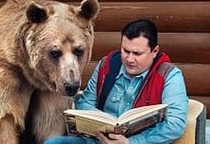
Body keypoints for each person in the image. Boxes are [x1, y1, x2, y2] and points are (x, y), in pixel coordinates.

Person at [44, 19, 188, 144]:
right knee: (54, 142)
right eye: (126, 51)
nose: (130, 59)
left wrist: (131, 142)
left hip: (139, 142)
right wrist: (103, 121)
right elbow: (85, 102)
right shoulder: (107, 65)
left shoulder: (170, 75)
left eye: (137, 53)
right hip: (98, 140)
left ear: (154, 51)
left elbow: (175, 124)